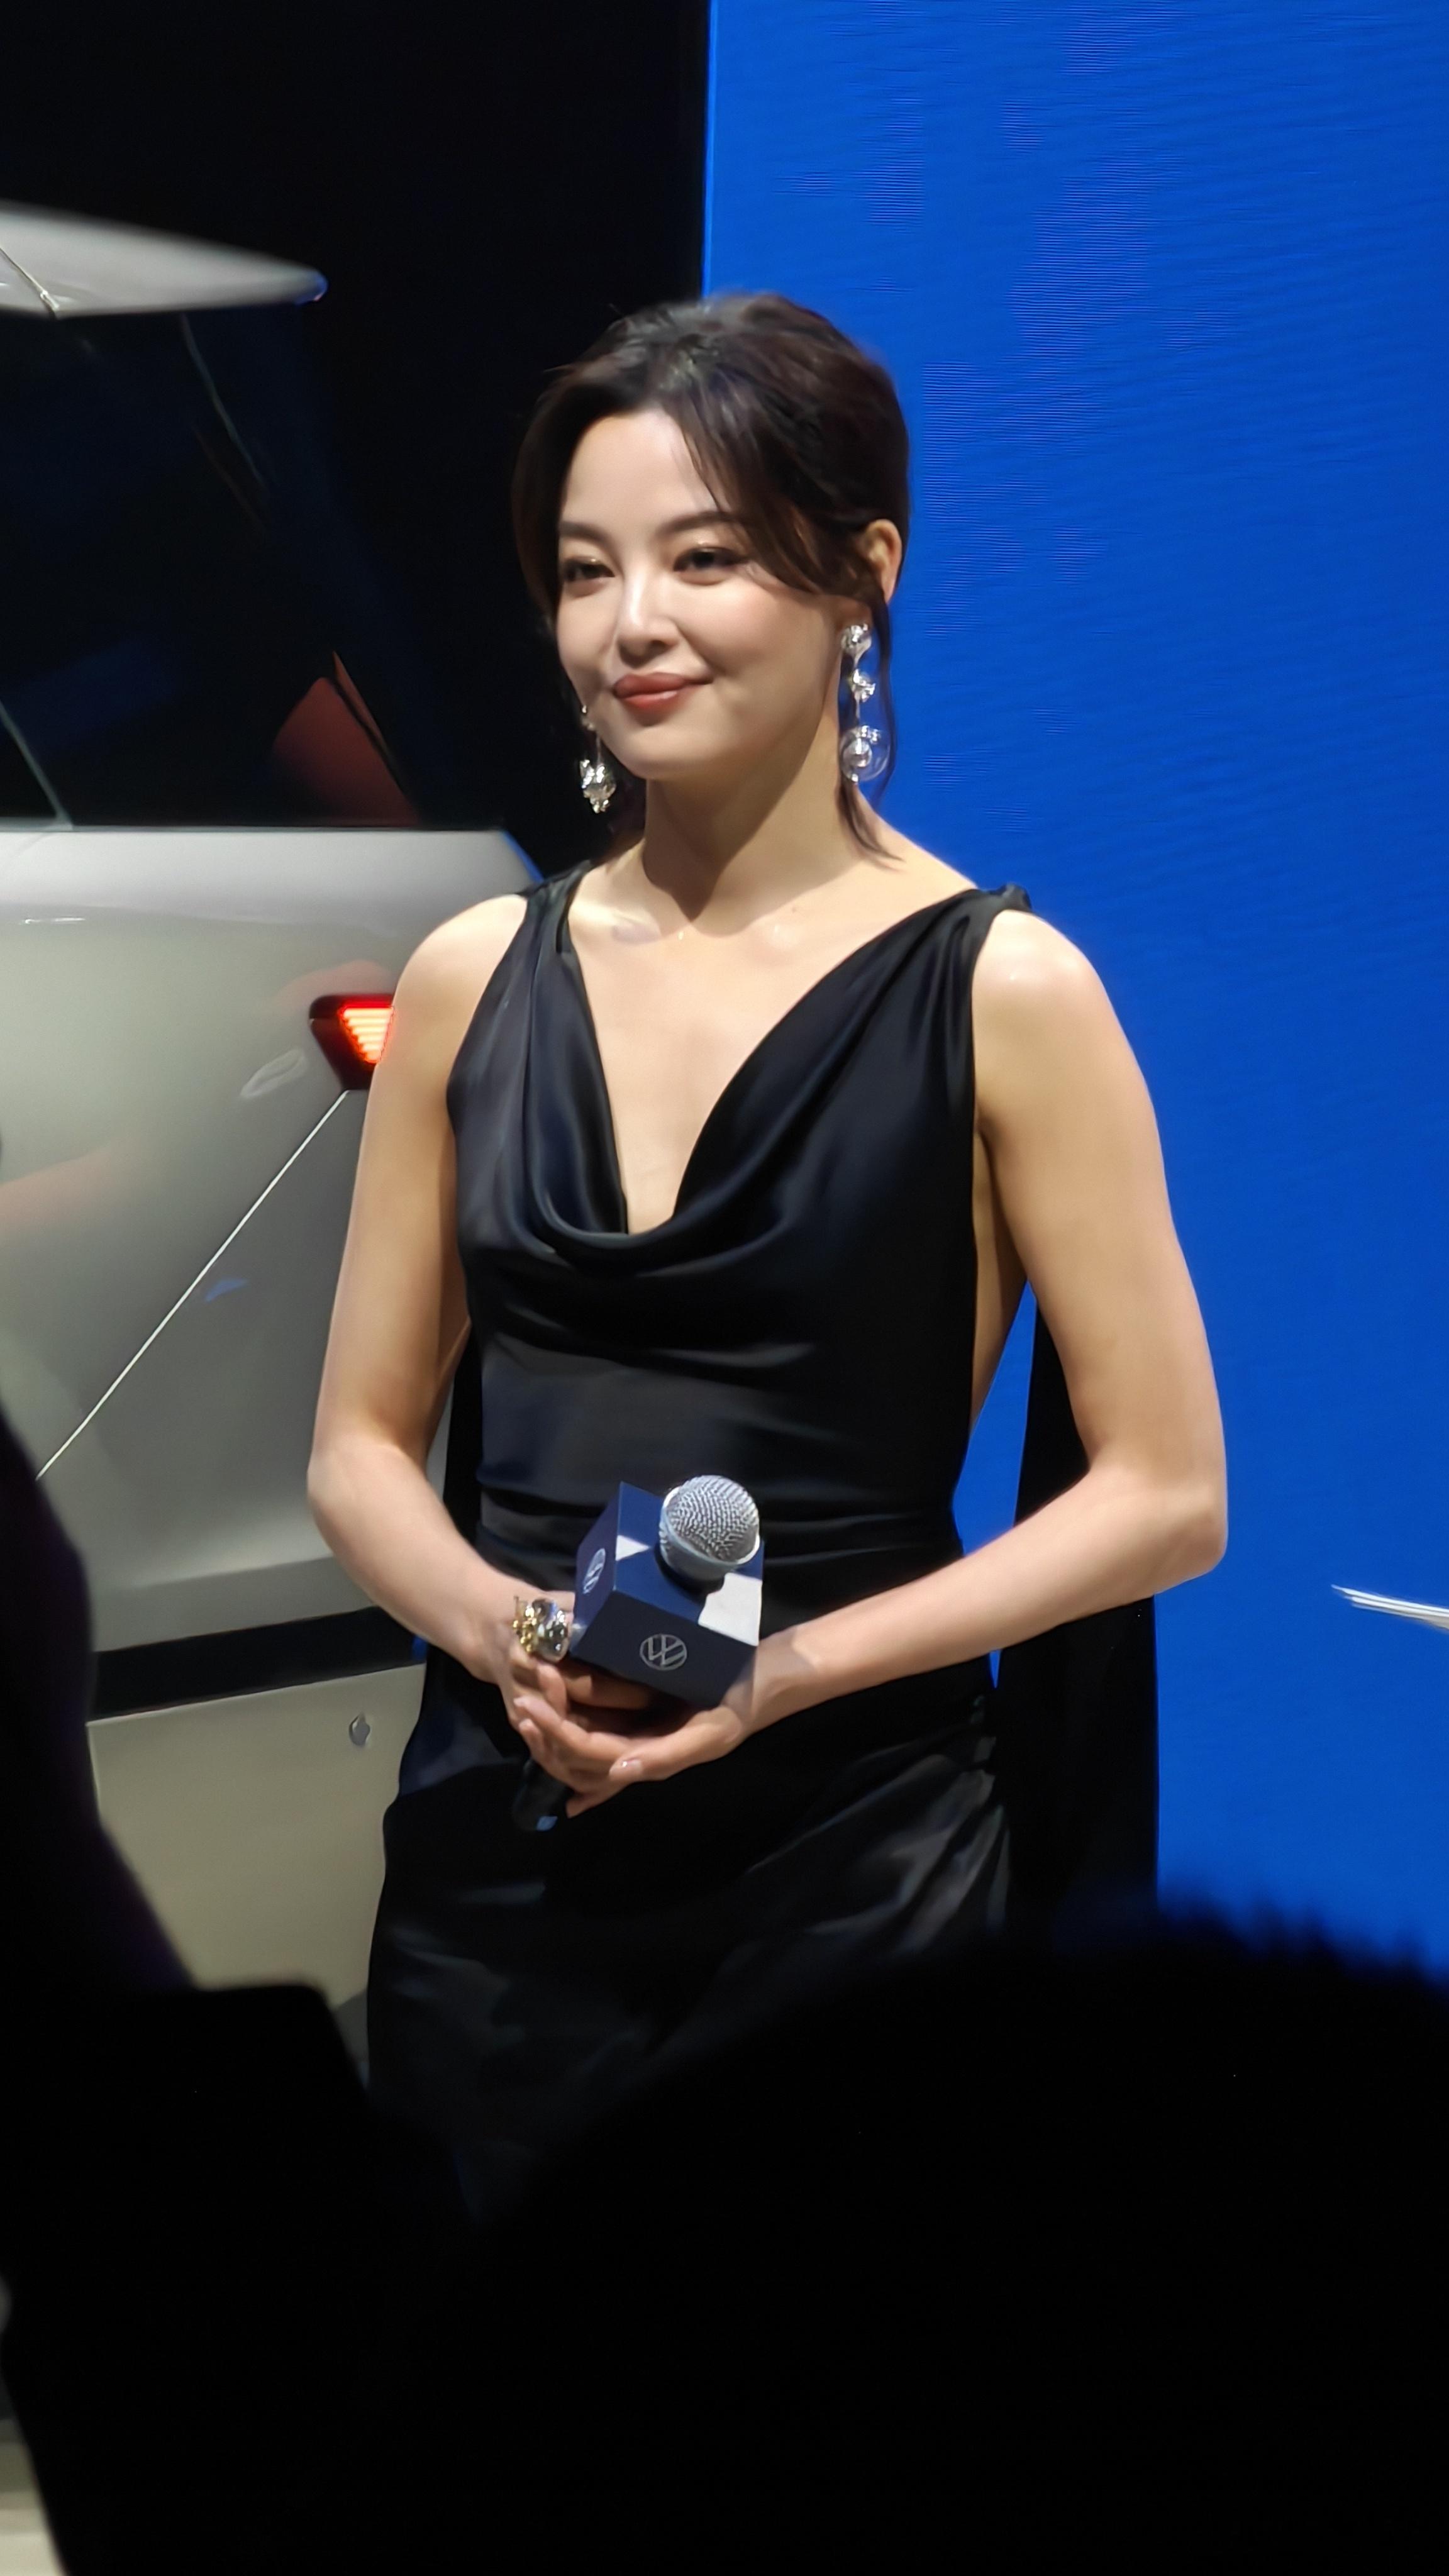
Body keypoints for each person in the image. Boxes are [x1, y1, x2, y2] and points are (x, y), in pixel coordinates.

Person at [306, 291, 1228, 2223]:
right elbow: (360, 1452)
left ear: (861, 575)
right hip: (502, 1885)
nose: (631, 625)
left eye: (704, 558)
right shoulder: (475, 978)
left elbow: (1167, 1493)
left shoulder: (1006, 993)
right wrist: (507, 1635)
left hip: (856, 1886)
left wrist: (781, 1676)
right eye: (586, 573)